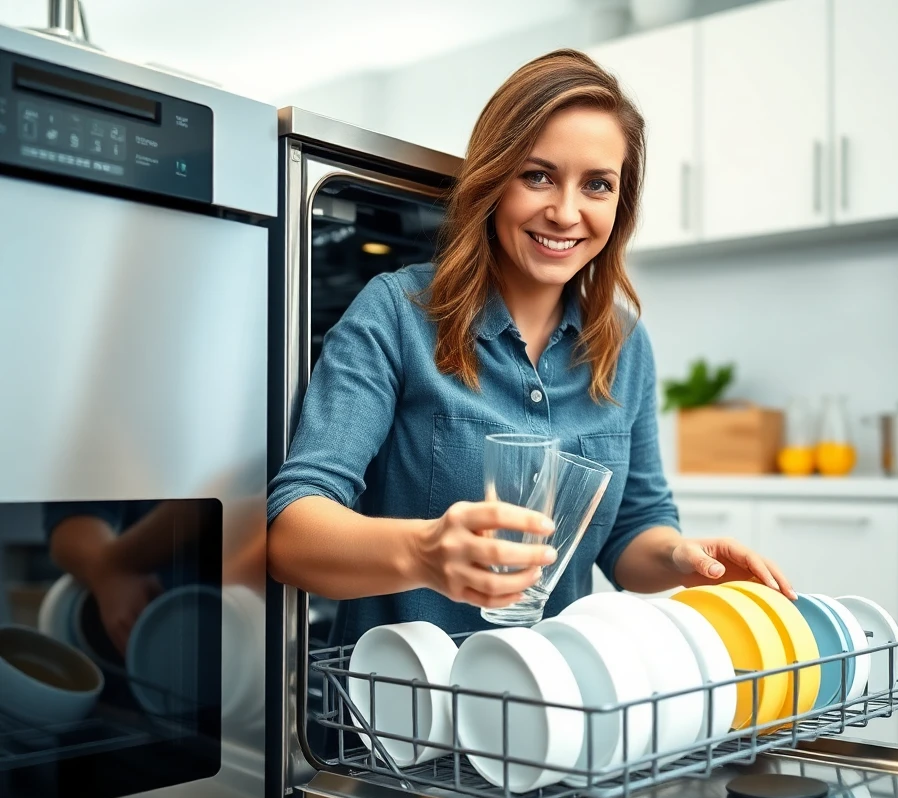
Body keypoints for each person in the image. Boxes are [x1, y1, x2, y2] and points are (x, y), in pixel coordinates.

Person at [266, 49, 794, 647]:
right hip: (405, 720)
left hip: (560, 715)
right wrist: (424, 552)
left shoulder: (625, 345)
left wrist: (679, 556)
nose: (565, 212)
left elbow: (632, 536)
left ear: (620, 205)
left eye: (597, 185)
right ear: (494, 179)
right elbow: (292, 533)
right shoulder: (396, 313)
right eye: (537, 175)